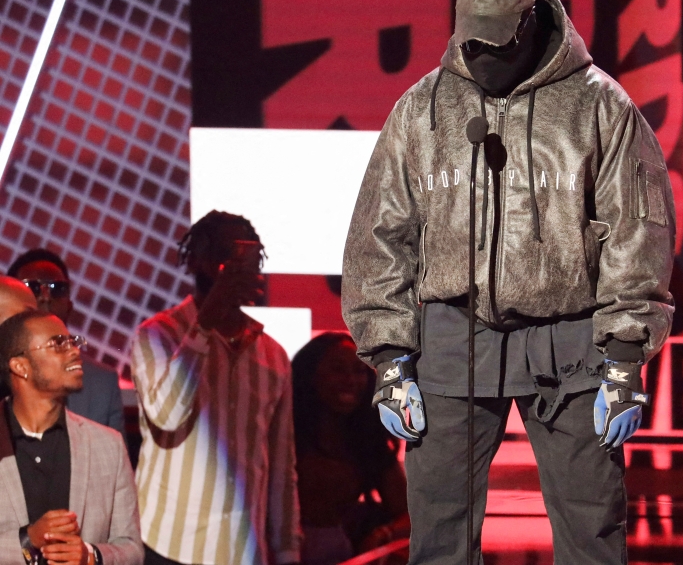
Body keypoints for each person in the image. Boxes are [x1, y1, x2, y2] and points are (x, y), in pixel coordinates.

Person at [342, 0, 675, 564]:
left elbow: (638, 232)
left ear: (529, 24)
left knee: (592, 527)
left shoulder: (599, 105)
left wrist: (624, 358)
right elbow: (379, 236)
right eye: (472, 40)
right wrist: (390, 360)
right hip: (452, 337)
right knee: (438, 530)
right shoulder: (423, 109)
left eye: (497, 40)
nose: (483, 54)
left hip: (570, 339)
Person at [129, 210, 301, 565]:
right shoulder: (158, 334)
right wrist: (206, 321)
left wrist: (287, 550)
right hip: (167, 544)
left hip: (242, 550)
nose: (235, 267)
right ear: (195, 260)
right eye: (224, 254)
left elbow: (282, 465)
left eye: (247, 257)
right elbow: (167, 415)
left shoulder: (273, 355)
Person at [0, 309, 143, 565]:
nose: (75, 350)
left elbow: (131, 549)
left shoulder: (107, 445)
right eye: (58, 344)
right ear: (20, 366)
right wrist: (27, 541)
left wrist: (89, 555)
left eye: (73, 341)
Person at [292, 332, 408, 564]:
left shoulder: (365, 438)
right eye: (338, 369)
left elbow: (408, 513)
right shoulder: (285, 431)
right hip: (278, 547)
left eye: (359, 371)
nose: (350, 380)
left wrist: (382, 534)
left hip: (338, 553)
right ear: (310, 374)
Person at [9, 249, 125, 437]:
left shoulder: (103, 383)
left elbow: (114, 462)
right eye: (33, 287)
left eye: (58, 288)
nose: (46, 297)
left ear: (70, 305)